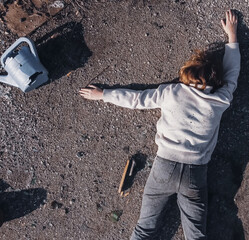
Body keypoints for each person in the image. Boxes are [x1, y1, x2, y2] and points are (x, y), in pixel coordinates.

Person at [79, 10, 240, 240]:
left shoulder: (171, 92)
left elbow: (136, 99)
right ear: (215, 81)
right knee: (197, 235)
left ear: (186, 76)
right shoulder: (220, 99)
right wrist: (232, 37)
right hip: (196, 173)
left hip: (164, 167)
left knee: (145, 230)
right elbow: (233, 73)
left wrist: (103, 94)